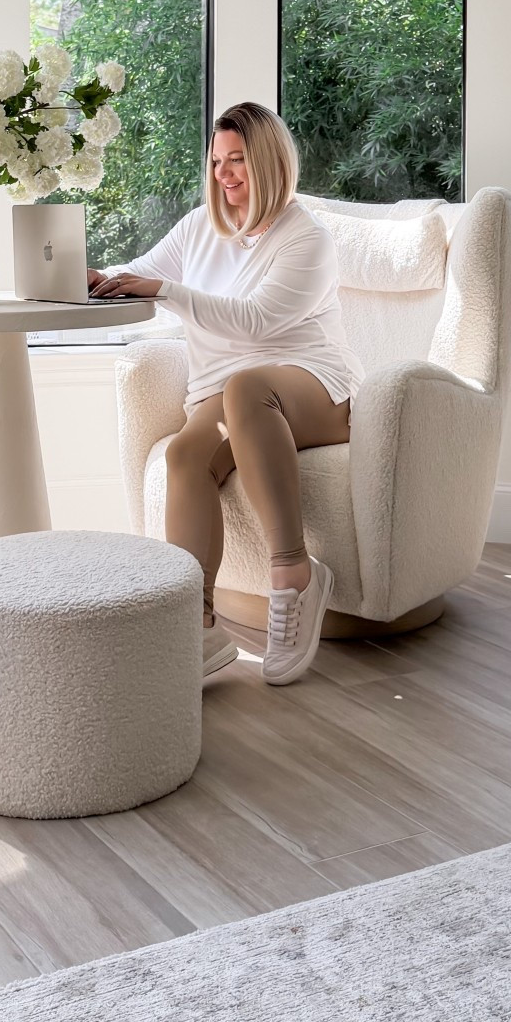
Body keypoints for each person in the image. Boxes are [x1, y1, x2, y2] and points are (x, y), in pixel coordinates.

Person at [89, 102, 360, 686]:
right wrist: (86, 276)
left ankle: (294, 574)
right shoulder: (198, 228)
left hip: (313, 383)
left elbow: (258, 323)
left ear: (270, 162)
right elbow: (136, 271)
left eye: (237, 160)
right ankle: (197, 625)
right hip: (231, 393)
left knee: (246, 386)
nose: (224, 174)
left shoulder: (305, 238)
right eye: (216, 162)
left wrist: (167, 290)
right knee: (186, 454)